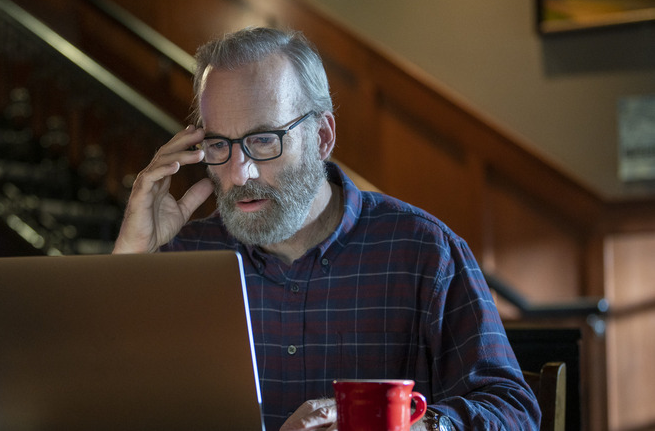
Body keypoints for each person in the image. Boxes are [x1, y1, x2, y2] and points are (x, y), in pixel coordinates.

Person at [113, 27, 540, 430]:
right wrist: (131, 258)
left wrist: (413, 424)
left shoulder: (423, 250)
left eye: (264, 140)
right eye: (219, 145)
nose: (239, 174)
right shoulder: (181, 256)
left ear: (321, 136)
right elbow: (105, 406)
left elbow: (512, 409)